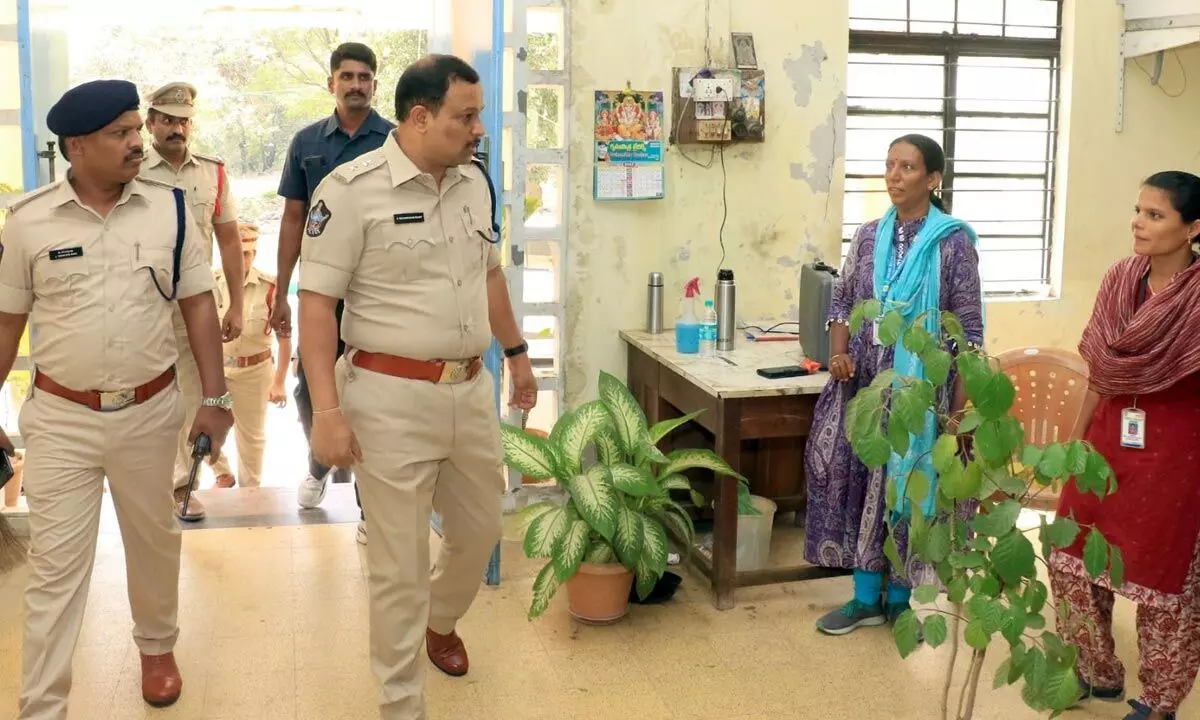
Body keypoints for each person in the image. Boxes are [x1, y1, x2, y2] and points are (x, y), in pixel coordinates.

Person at [298, 54, 537, 719]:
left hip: (468, 390)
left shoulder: (472, 182)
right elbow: (316, 306)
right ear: (421, 116)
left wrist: (516, 354)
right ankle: (402, 703)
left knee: (482, 529)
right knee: (398, 566)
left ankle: (440, 618)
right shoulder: (351, 190)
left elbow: (488, 273)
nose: (478, 128)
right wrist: (327, 412)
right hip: (387, 397)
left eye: (479, 113)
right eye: (466, 116)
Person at [0, 79, 233, 717]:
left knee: (155, 539)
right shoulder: (28, 221)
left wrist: (217, 398)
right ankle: (42, 703)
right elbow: (6, 323)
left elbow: (197, 309)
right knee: (55, 567)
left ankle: (157, 648)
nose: (138, 143)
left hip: (150, 411)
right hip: (61, 417)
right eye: (122, 133)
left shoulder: (172, 210)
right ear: (77, 146)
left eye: (137, 130)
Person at [803, 133, 984, 635]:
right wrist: (839, 354)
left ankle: (900, 601)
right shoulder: (866, 237)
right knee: (865, 488)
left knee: (908, 490)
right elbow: (841, 305)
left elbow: (968, 333)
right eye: (889, 165)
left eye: (907, 167)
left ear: (932, 179)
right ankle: (863, 599)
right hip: (865, 389)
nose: (894, 175)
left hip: (922, 396)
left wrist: (957, 413)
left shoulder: (953, 245)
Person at [1049, 171, 1200, 720]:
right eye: (1138, 211)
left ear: (1193, 228)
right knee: (1069, 555)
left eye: (1155, 215)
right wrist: (1073, 441)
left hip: (1177, 452)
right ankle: (1097, 673)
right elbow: (1100, 370)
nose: (1138, 223)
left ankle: (1160, 703)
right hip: (1108, 438)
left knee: (1163, 578)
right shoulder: (1120, 279)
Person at [272, 42, 395, 540]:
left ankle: (369, 504)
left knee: (372, 394)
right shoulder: (306, 142)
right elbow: (294, 219)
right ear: (331, 84)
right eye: (347, 76)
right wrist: (280, 291)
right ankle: (321, 463)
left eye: (365, 77)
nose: (357, 85)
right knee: (311, 390)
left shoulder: (394, 139)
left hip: (377, 293)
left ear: (374, 84)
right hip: (322, 293)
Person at [140, 80, 244, 521]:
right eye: (166, 120)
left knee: (192, 400)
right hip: (144, 305)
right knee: (145, 398)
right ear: (150, 124)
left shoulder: (213, 172)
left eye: (182, 120)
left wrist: (237, 303)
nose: (175, 128)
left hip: (194, 308)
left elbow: (230, 238)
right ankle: (149, 484)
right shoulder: (133, 171)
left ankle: (184, 486)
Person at [208, 222, 291, 488]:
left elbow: (285, 339)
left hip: (255, 371)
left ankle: (250, 492)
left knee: (251, 438)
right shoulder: (211, 284)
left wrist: (279, 382)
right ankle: (222, 472)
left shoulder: (270, 287)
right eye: (240, 252)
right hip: (217, 369)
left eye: (250, 253)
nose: (245, 258)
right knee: (196, 426)